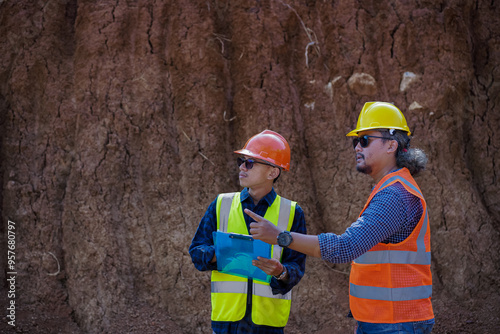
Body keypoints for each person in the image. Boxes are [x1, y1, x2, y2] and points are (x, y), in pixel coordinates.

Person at [246, 102, 435, 334]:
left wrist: (280, 237)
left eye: (364, 140)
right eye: (355, 141)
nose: (357, 147)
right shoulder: (391, 189)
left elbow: (344, 248)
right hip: (386, 319)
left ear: (392, 145)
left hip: (396, 322)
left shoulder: (394, 195)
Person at [189, 130, 307, 334]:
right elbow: (196, 251)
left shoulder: (292, 213)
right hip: (227, 321)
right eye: (241, 161)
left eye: (250, 163)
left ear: (272, 172)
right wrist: (222, 255)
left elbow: (297, 266)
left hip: (267, 324)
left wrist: (281, 272)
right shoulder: (221, 204)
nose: (242, 167)